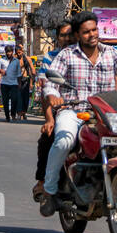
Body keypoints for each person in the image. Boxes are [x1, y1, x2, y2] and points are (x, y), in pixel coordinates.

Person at [39, 11, 117, 216]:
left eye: (94, 30)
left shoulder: (111, 53)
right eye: (86, 32)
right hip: (74, 110)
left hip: (105, 114)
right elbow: (51, 82)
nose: (92, 35)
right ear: (78, 35)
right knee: (64, 140)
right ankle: (49, 191)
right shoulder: (67, 54)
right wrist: (53, 95)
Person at [33, 20, 73, 199]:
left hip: (88, 109)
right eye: (63, 35)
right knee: (47, 138)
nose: (67, 38)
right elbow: (46, 89)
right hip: (60, 109)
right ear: (57, 38)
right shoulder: (51, 57)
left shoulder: (86, 54)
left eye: (70, 34)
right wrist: (49, 119)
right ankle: (43, 181)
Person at [0, 45, 21, 122]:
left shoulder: (16, 61)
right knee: (5, 101)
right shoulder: (2, 60)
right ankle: (7, 116)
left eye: (10, 52)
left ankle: (13, 115)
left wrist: (19, 84)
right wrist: (1, 71)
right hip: (4, 83)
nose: (8, 53)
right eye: (7, 52)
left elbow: (19, 73)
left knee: (14, 100)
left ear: (12, 52)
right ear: (5, 52)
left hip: (14, 84)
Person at [16, 44, 35, 121]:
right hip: (17, 80)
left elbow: (32, 69)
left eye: (19, 52)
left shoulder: (28, 59)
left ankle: (24, 112)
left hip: (26, 80)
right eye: (17, 53)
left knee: (25, 98)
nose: (18, 54)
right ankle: (19, 113)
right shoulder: (15, 59)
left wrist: (32, 82)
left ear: (22, 51)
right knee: (18, 97)